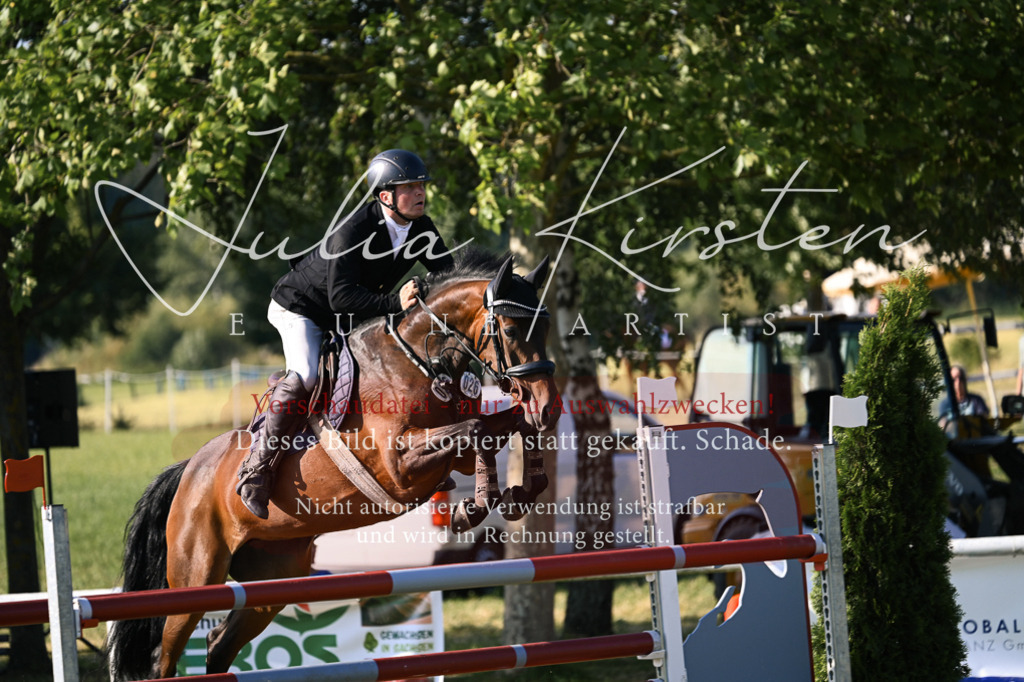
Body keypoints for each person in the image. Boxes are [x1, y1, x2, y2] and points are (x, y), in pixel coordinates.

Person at [236, 149, 456, 519]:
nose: (421, 192)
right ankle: (257, 469)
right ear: (385, 196)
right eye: (411, 187)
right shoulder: (352, 232)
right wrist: (396, 303)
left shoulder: (422, 228)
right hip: (301, 308)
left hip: (352, 313)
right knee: (306, 375)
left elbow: (449, 275)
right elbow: (340, 298)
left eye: (422, 185)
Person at [938, 365, 989, 436]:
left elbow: (983, 421)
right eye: (954, 379)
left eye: (961, 378)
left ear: (965, 380)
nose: (958, 382)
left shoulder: (976, 400)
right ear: (949, 382)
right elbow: (943, 426)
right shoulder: (945, 404)